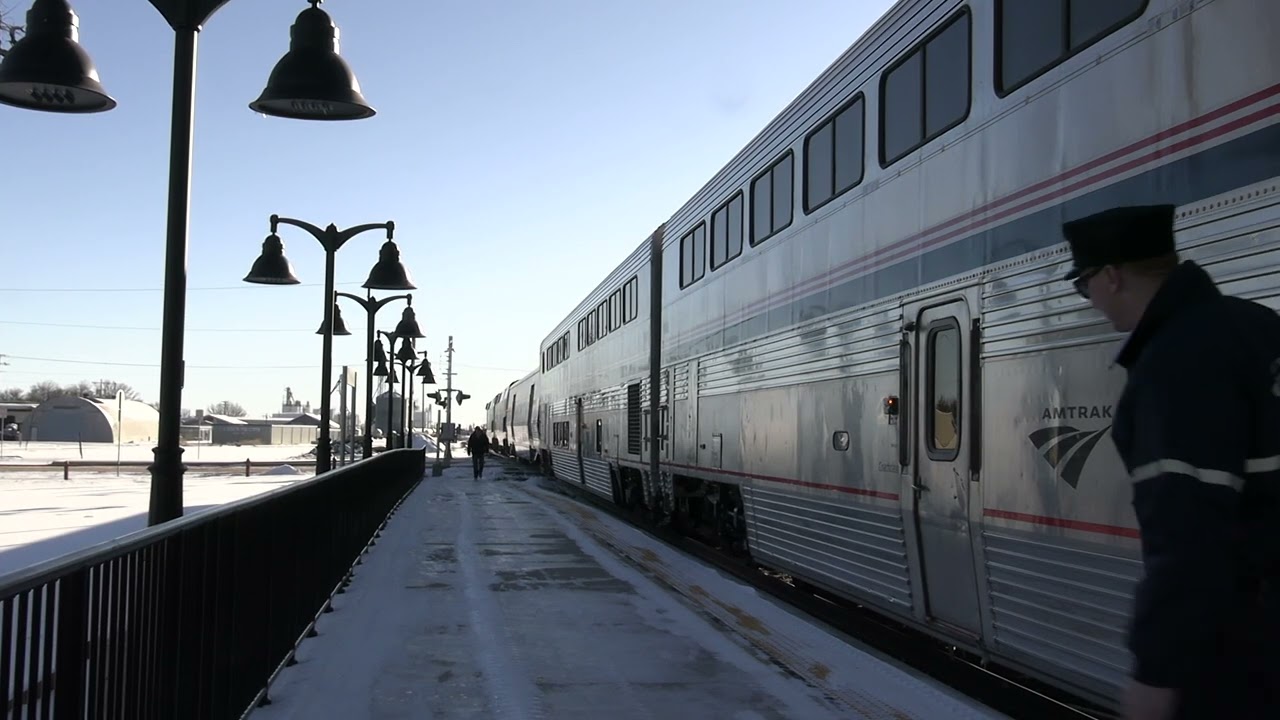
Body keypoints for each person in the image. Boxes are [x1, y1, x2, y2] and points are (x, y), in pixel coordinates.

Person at [1062, 204, 1279, 720]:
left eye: (1083, 283)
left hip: (1238, 651)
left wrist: (1155, 673)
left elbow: (1188, 536)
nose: (1088, 299)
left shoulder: (1174, 362)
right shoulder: (1260, 325)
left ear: (1111, 276)